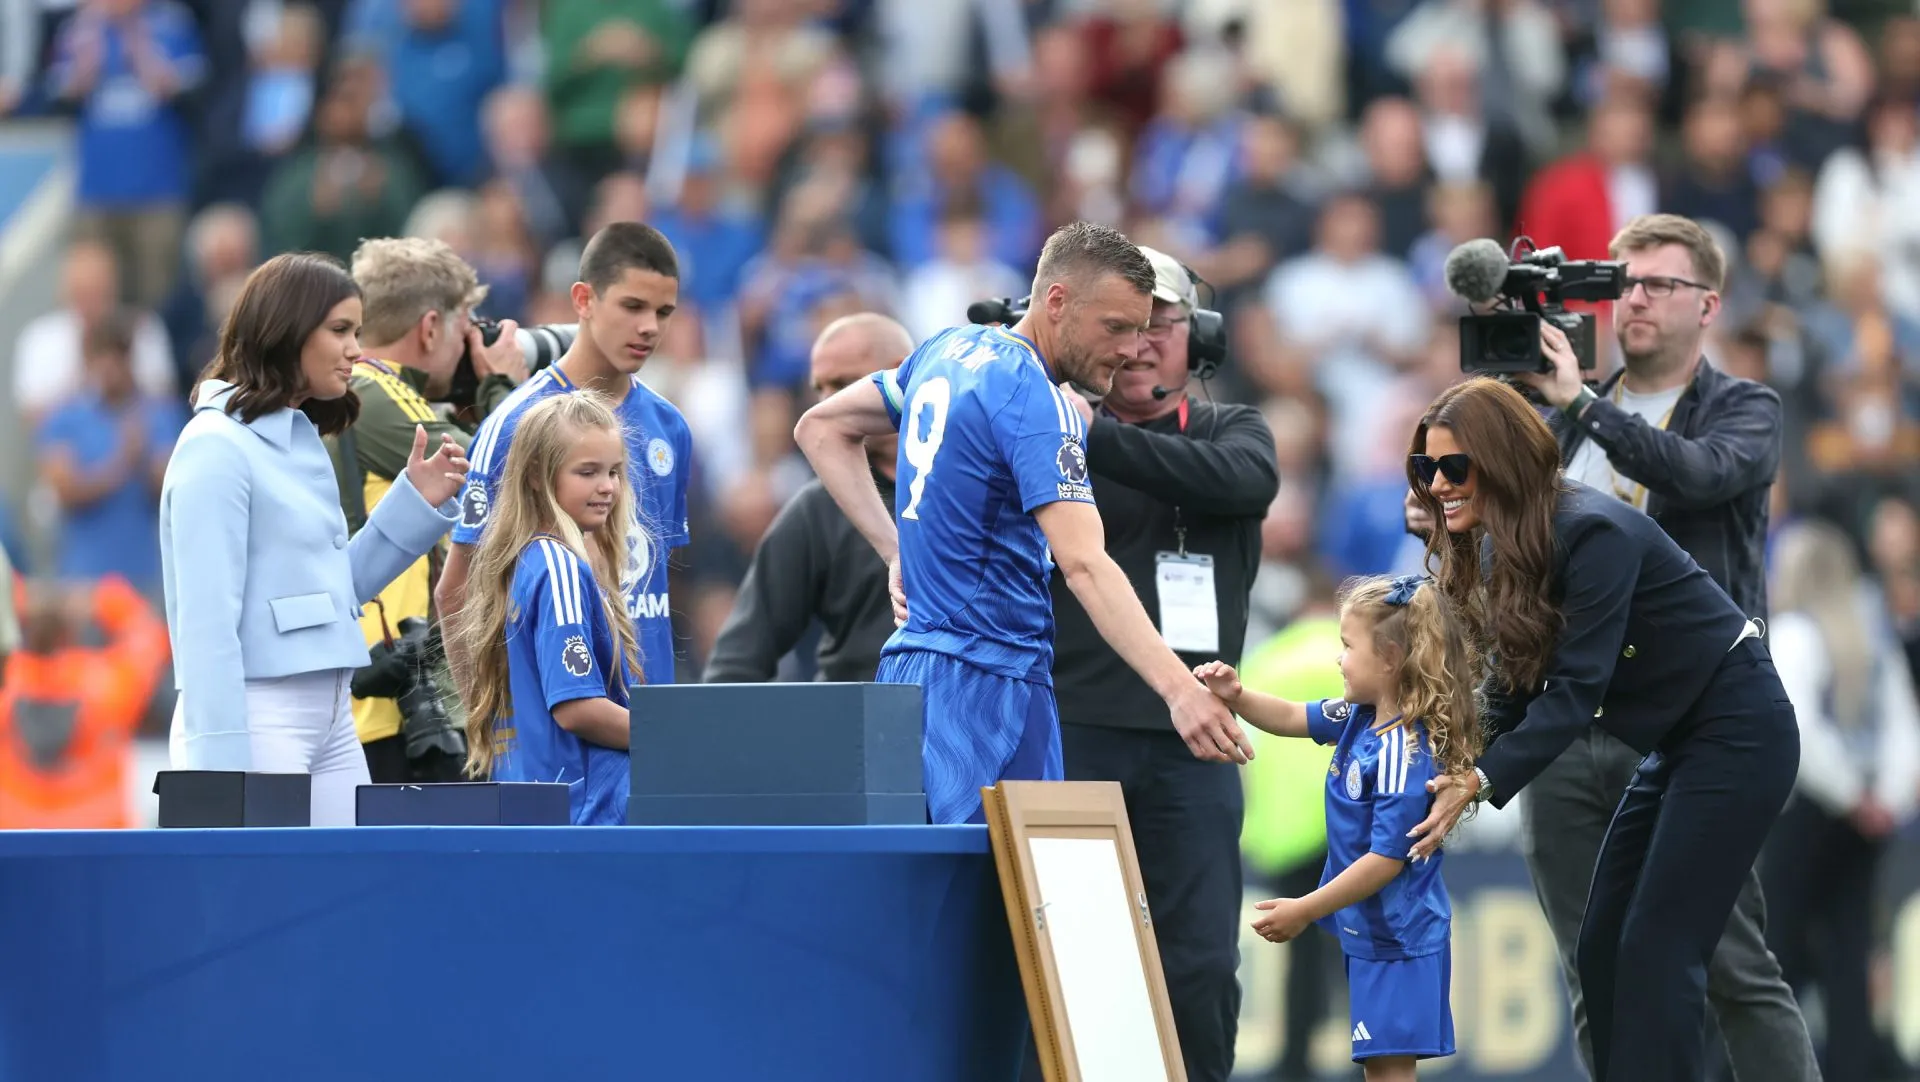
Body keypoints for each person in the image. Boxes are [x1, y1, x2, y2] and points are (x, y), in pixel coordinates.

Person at [1401, 377, 1800, 1082]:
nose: (1437, 485)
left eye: (1453, 467)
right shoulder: (1506, 545)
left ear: (1500, 459)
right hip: (1680, 741)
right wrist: (1441, 752)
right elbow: (1514, 688)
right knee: (1602, 946)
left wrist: (1480, 778)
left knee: (1662, 946)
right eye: (1424, 469)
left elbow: (1576, 688)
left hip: (1738, 733)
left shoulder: (1592, 529)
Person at [794, 221, 1251, 827]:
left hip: (911, 672)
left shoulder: (946, 350)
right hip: (990, 686)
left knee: (933, 895)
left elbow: (820, 428)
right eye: (1114, 327)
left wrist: (896, 551)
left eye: (1141, 330)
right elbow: (1085, 563)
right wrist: (1179, 690)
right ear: (1056, 302)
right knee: (1011, 906)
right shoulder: (1036, 397)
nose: (1132, 349)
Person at [1503, 212, 1814, 1082]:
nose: (1633, 298)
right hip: (1571, 712)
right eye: (1622, 282)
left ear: (1708, 304)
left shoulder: (1744, 406)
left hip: (1686, 723)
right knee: (1592, 962)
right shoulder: (1556, 410)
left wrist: (1581, 405)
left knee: (1731, 965)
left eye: (1657, 284)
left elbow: (1699, 474)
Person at [1041, 245, 1279, 1082]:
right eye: (1125, 327)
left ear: (1198, 339)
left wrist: (1081, 432)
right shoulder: (1045, 439)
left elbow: (1241, 483)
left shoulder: (1230, 429)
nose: (1141, 344)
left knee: (1201, 969)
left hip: (1194, 742)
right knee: (1065, 966)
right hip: (1071, 734)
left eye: (1161, 326)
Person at [159, 252, 469, 826]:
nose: (357, 348)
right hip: (257, 720)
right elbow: (205, 630)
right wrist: (218, 770)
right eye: (341, 330)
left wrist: (414, 504)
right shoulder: (214, 446)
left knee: (343, 901)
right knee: (269, 905)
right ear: (287, 331)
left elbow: (335, 592)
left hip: (333, 720)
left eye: (357, 330)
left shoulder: (298, 436)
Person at [1194, 573, 1477, 1082]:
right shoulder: (1358, 717)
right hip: (1372, 934)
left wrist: (1306, 908)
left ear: (1389, 659)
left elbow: (1386, 860)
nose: (1337, 658)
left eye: (1347, 646)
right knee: (1378, 1067)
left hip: (1398, 937)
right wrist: (1236, 695)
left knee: (1390, 1070)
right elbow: (1289, 716)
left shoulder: (1401, 753)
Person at [437, 222, 691, 695]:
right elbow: (457, 589)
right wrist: (491, 722)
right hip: (555, 732)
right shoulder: (515, 422)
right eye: (632, 306)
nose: (650, 327)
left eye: (664, 312)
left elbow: (650, 585)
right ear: (583, 300)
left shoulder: (670, 426)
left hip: (650, 720)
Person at [333, 235, 526, 784]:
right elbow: (508, 477)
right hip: (399, 704)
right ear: (431, 327)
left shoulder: (363, 394)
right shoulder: (374, 389)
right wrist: (501, 387)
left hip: (384, 701)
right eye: (467, 326)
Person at [1762, 519, 1920, 1082]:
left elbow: (1796, 733)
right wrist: (1884, 801)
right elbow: (1906, 729)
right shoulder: (1872, 635)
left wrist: (1853, 798)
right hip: (1864, 823)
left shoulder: (1795, 633)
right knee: (1850, 958)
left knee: (1773, 952)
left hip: (1806, 817)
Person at [449, 392, 640, 826]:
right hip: (583, 813)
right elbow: (577, 707)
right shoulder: (557, 566)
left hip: (532, 806)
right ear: (536, 475)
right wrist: (673, 739)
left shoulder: (525, 560)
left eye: (614, 471)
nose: (608, 486)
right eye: (587, 472)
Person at [704, 313, 915, 683]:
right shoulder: (817, 508)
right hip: (856, 726)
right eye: (819, 389)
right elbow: (736, 664)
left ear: (901, 375)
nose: (825, 405)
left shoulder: (967, 486)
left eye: (843, 384)